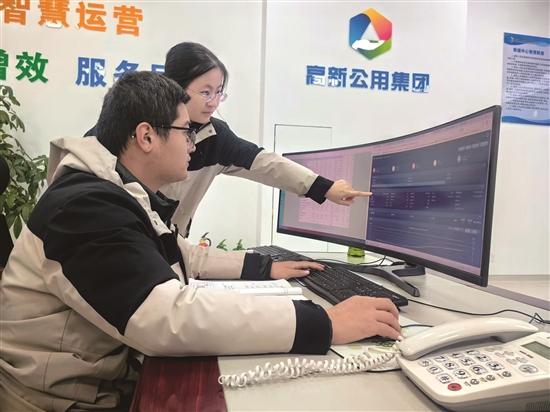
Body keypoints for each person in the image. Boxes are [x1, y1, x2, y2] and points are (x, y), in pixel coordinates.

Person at [1, 71, 400, 411]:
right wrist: (323, 323)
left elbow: (178, 251)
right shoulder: (87, 207)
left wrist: (262, 267)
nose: (193, 145)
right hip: (53, 398)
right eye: (185, 132)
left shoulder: (116, 190)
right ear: (146, 136)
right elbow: (164, 318)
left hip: (92, 379)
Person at [86, 42, 372, 237]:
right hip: (118, 244)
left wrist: (324, 187)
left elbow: (266, 164)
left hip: (170, 248)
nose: (213, 102)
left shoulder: (216, 136)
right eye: (205, 92)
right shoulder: (127, 127)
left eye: (219, 92)